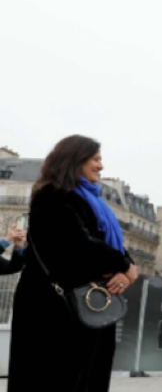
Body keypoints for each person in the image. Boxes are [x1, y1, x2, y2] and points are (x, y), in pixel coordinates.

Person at [9, 135, 138, 392]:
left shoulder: (92, 201)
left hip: (87, 302)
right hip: (53, 307)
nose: (101, 166)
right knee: (55, 377)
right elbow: (78, 244)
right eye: (95, 159)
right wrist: (124, 264)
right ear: (75, 159)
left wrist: (126, 270)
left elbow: (108, 245)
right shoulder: (52, 196)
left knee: (84, 375)